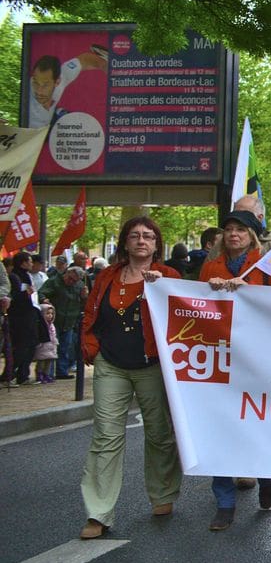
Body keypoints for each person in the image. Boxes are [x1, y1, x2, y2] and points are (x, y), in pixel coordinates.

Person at [79, 217, 182, 539]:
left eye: (148, 236)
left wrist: (160, 289)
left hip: (151, 365)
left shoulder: (167, 276)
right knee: (105, 437)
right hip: (111, 365)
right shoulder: (107, 276)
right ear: (125, 242)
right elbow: (91, 315)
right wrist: (92, 349)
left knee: (159, 434)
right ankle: (98, 512)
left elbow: (184, 314)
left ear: (156, 244)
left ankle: (163, 494)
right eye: (135, 235)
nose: (141, 241)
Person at [198, 210, 271, 531]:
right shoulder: (210, 267)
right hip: (221, 356)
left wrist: (249, 289)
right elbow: (193, 304)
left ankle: (266, 475)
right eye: (229, 229)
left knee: (256, 421)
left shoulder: (265, 265)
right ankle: (224, 501)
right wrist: (211, 290)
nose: (234, 235)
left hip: (256, 357)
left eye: (241, 230)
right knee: (221, 426)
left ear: (252, 236)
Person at [27, 50, 108, 128]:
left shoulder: (62, 76)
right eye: (36, 83)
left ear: (57, 82)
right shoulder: (28, 98)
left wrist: (106, 66)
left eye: (45, 85)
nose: (39, 91)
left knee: (69, 119)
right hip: (38, 133)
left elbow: (84, 59)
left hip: (50, 120)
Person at [39, 265, 88, 380]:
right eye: (70, 278)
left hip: (70, 320)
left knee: (65, 348)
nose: (71, 282)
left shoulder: (80, 285)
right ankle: (48, 373)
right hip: (55, 320)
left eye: (74, 280)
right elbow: (41, 293)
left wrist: (85, 297)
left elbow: (84, 303)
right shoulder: (54, 281)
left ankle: (62, 371)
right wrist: (44, 300)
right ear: (66, 273)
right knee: (51, 348)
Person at [3, 252, 41, 385]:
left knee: (31, 345)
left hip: (30, 313)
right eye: (29, 261)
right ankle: (9, 375)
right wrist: (25, 293)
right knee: (20, 346)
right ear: (23, 263)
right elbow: (14, 296)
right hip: (20, 316)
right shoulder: (15, 277)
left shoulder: (27, 276)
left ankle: (23, 374)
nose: (31, 264)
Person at [33, 303, 58, 383]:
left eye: (51, 313)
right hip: (43, 345)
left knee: (49, 361)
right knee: (41, 361)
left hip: (51, 346)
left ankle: (46, 374)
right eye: (47, 313)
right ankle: (39, 374)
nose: (50, 315)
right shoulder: (40, 325)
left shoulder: (52, 325)